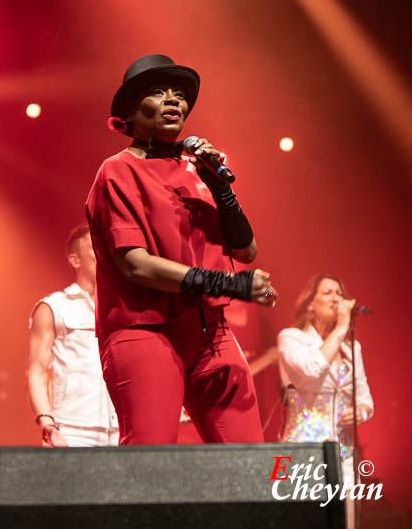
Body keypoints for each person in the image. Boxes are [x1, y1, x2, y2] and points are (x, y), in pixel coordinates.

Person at [86, 53, 279, 445]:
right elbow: (135, 266)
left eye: (179, 93)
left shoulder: (198, 171)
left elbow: (247, 251)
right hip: (146, 331)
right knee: (153, 464)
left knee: (249, 461)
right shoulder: (117, 171)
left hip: (212, 333)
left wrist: (222, 189)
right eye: (158, 92)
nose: (173, 100)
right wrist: (232, 286)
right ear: (130, 110)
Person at [277, 274, 374, 528]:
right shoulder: (291, 339)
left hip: (344, 454)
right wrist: (341, 329)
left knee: (346, 523)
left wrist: (360, 412)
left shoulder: (353, 349)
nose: (336, 299)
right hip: (303, 450)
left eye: (339, 294)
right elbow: (311, 369)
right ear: (310, 303)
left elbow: (365, 399)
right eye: (328, 292)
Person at [27, 224, 119, 447]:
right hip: (72, 430)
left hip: (120, 430)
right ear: (75, 260)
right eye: (94, 249)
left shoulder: (121, 309)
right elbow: (36, 372)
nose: (102, 254)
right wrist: (47, 422)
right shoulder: (54, 307)